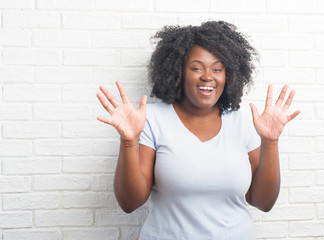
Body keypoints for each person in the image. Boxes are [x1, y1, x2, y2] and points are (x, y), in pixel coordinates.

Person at [96, 21, 300, 240]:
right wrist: (129, 140)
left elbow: (263, 202)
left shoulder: (244, 122)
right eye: (196, 67)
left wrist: (270, 142)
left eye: (217, 69)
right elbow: (130, 203)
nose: (207, 76)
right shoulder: (152, 119)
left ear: (228, 74)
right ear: (178, 72)